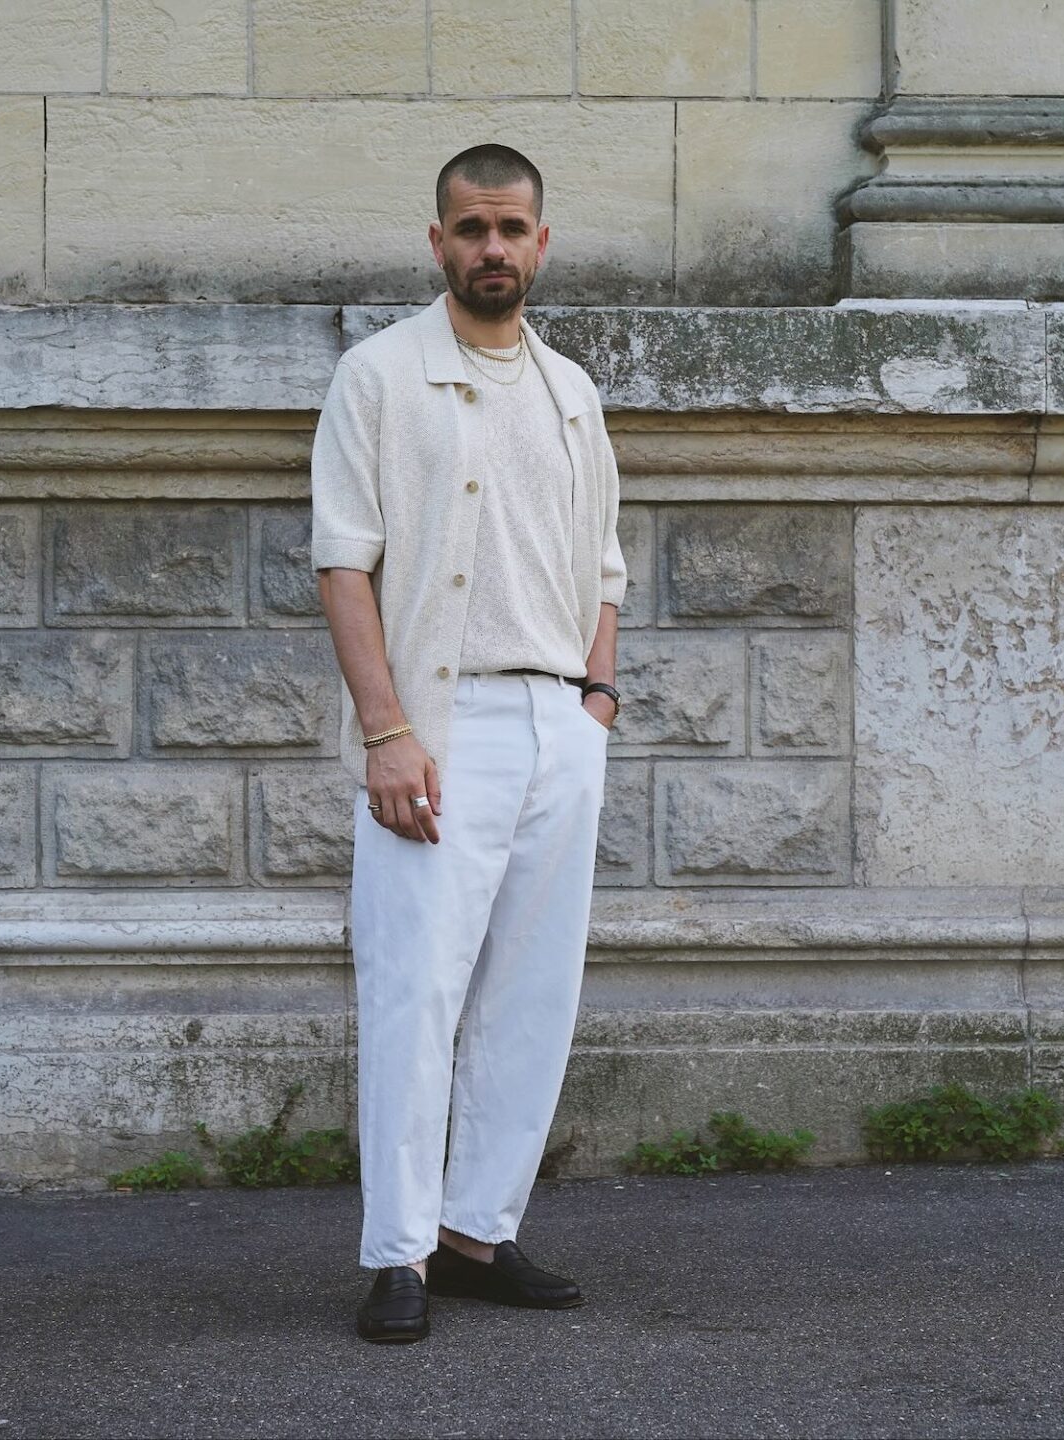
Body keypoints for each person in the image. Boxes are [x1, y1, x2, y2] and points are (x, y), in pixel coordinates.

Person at [309, 142, 627, 1344]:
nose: (492, 248)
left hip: (559, 722)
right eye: (470, 228)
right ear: (437, 240)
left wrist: (595, 702)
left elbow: (603, 566)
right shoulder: (381, 377)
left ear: (542, 243)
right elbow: (345, 561)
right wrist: (387, 732)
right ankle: (398, 1254)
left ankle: (478, 1232)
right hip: (438, 729)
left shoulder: (572, 390)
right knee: (415, 991)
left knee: (531, 996)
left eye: (511, 228)